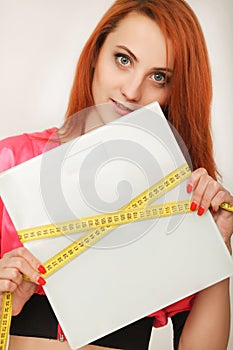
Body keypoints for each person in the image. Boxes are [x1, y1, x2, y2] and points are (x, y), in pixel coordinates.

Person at [0, 0, 233, 349]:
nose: (132, 91)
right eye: (123, 60)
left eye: (159, 77)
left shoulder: (181, 198)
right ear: (96, 54)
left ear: (175, 91)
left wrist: (218, 246)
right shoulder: (12, 163)